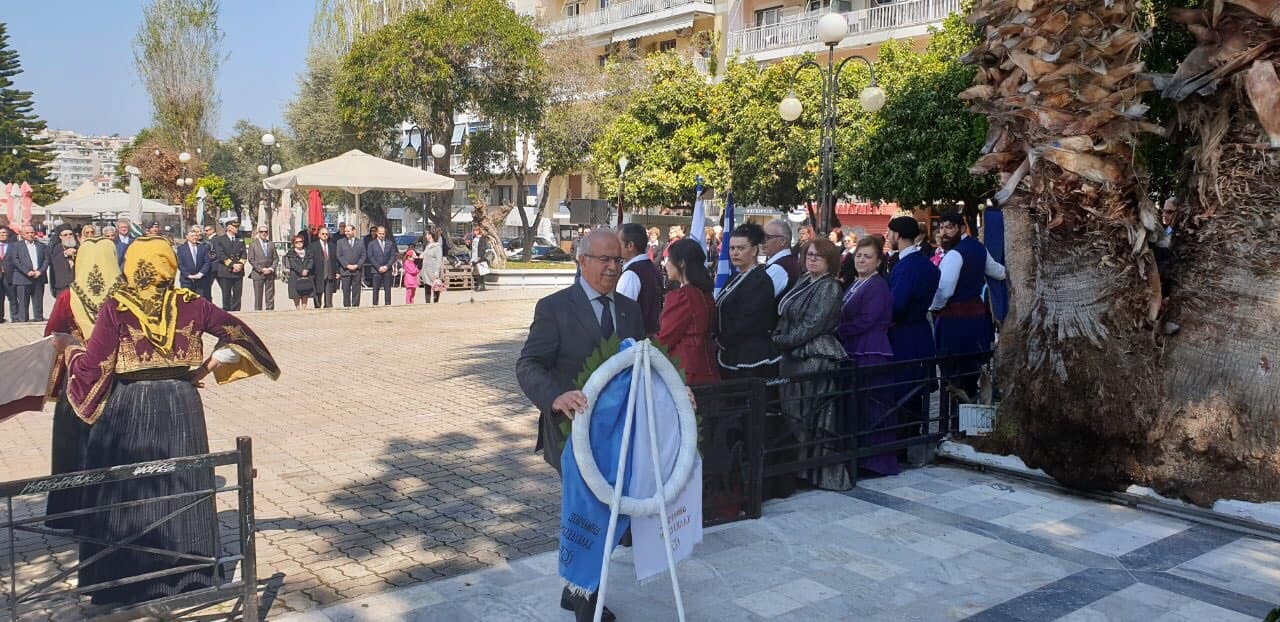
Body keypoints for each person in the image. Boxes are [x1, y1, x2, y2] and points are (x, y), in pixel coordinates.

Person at [53, 236, 279, 607]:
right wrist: (203, 369)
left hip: (128, 407)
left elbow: (94, 369)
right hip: (181, 403)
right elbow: (239, 336)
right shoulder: (192, 304)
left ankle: (128, 583)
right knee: (183, 484)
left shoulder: (117, 307)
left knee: (131, 489)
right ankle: (189, 577)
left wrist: (71, 350)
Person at [516, 229, 643, 622]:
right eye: (604, 260)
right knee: (586, 516)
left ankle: (576, 589)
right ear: (581, 260)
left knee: (606, 513)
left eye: (617, 260)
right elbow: (528, 364)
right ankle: (587, 602)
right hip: (570, 433)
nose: (612, 267)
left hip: (616, 435)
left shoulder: (629, 309)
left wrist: (673, 391)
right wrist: (555, 396)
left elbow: (641, 361)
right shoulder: (554, 307)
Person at [41, 238, 121, 529]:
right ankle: (111, 511)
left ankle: (69, 515)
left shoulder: (67, 298)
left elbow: (51, 335)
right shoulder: (124, 297)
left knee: (73, 448)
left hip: (76, 384)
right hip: (116, 382)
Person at [773, 238, 849, 490]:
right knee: (795, 414)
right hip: (794, 355)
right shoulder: (805, 280)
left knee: (811, 417)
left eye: (819, 256)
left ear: (830, 261)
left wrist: (780, 341)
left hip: (815, 357)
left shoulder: (829, 287)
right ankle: (801, 469)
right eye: (809, 254)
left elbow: (812, 325)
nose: (813, 259)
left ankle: (815, 473)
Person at [930, 211, 1006, 400]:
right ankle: (967, 419)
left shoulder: (955, 254)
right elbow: (998, 272)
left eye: (950, 227)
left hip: (955, 325)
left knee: (956, 376)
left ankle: (959, 421)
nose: (944, 232)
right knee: (972, 373)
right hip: (977, 321)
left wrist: (934, 307)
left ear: (962, 228)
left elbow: (944, 291)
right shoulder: (978, 248)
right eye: (941, 228)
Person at [839, 236, 898, 476]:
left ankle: (878, 461)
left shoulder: (877, 286)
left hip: (871, 349)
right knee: (859, 407)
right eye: (859, 256)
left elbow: (867, 319)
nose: (861, 260)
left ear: (878, 261)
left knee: (874, 406)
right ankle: (861, 458)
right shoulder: (855, 282)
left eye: (867, 257)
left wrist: (838, 330)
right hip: (854, 347)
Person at [885, 217, 940, 448]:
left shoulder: (907, 266)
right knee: (914, 392)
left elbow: (897, 306)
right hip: (920, 331)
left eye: (889, 232)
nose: (888, 237)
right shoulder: (926, 263)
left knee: (903, 390)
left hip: (904, 335)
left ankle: (901, 443)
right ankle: (911, 438)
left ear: (897, 235)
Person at [715, 223, 781, 379]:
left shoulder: (759, 280)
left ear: (755, 250)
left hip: (751, 355)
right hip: (731, 350)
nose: (735, 253)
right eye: (732, 248)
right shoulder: (734, 277)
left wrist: (723, 340)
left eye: (741, 248)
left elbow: (748, 320)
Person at [656, 238, 719, 385]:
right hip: (707, 366)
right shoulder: (705, 293)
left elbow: (665, 339)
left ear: (682, 263)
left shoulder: (683, 296)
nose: (666, 264)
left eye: (669, 260)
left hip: (685, 370)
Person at [616, 223, 661, 336]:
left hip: (635, 342)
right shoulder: (652, 268)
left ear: (630, 245)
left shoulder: (631, 274)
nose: (615, 246)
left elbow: (623, 315)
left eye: (618, 243)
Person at [6, 225, 48, 322]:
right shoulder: (16, 246)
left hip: (38, 277)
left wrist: (40, 271)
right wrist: (27, 271)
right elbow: (15, 260)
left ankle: (38, 318)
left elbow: (46, 259)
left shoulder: (41, 246)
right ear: (22, 234)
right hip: (22, 277)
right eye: (27, 233)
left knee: (38, 300)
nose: (30, 234)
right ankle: (23, 319)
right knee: (23, 301)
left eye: (32, 232)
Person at [210, 220, 246, 311]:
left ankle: (237, 312)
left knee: (238, 294)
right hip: (226, 270)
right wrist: (232, 265)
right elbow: (220, 254)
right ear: (229, 228)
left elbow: (244, 253)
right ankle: (227, 312)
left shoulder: (240, 239)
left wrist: (240, 264)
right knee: (226, 294)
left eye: (237, 226)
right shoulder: (220, 239)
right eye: (235, 227)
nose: (237, 228)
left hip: (239, 271)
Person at [762, 219, 800, 299]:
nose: (763, 241)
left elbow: (758, 299)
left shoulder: (779, 268)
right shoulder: (787, 262)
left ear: (783, 241)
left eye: (768, 237)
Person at [247, 225, 279, 311]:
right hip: (258, 273)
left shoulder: (271, 244)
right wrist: (261, 269)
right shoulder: (253, 244)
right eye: (261, 232)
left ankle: (270, 310)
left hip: (270, 273)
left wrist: (272, 268)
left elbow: (276, 258)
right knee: (258, 295)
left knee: (270, 294)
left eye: (265, 232)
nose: (264, 233)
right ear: (258, 233)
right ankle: (258, 312)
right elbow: (251, 259)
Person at [177, 226, 213, 300]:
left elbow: (207, 262)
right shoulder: (181, 249)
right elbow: (180, 264)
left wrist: (200, 274)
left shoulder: (203, 247)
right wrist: (188, 275)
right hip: (187, 281)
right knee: (187, 302)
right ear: (187, 237)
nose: (195, 238)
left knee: (201, 301)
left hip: (201, 280)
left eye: (196, 236)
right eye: (192, 236)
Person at [337, 223, 366, 307]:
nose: (346, 233)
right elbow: (339, 255)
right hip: (346, 270)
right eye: (345, 231)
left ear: (353, 231)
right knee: (346, 290)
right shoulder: (340, 242)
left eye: (348, 231)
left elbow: (363, 255)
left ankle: (355, 306)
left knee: (356, 290)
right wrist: (347, 265)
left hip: (357, 270)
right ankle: (346, 306)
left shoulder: (360, 242)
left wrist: (357, 265)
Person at [367, 226, 397, 306]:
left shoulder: (390, 243)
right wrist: (378, 267)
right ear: (377, 233)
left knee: (387, 289)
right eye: (380, 234)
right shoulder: (372, 244)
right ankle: (375, 305)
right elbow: (370, 256)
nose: (381, 235)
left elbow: (393, 256)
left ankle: (387, 304)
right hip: (376, 270)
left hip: (387, 269)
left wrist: (387, 266)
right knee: (375, 289)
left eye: (383, 234)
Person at [310, 226, 339, 309]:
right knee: (318, 295)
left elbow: (335, 260)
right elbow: (311, 260)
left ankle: (328, 310)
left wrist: (337, 272)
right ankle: (318, 309)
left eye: (326, 234)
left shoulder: (332, 246)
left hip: (330, 274)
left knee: (329, 298)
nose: (325, 235)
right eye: (323, 234)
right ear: (319, 235)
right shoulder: (313, 246)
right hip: (318, 274)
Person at [285, 235, 316, 309]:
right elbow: (292, 264)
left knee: (305, 292)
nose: (299, 243)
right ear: (294, 243)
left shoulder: (308, 252)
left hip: (306, 275)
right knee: (296, 294)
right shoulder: (290, 253)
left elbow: (311, 261)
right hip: (295, 275)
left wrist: (307, 269)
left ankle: (304, 309)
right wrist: (301, 270)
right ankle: (298, 309)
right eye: (297, 242)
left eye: (301, 241)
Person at [46, 226, 78, 298]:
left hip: (77, 287)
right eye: (65, 235)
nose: (68, 236)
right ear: (60, 237)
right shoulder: (55, 248)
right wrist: (65, 254)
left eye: (70, 234)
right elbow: (53, 262)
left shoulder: (78, 247)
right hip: (62, 287)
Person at [422, 230, 445, 304]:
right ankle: (427, 302)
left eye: (427, 234)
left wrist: (437, 271)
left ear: (430, 235)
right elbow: (425, 255)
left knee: (435, 286)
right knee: (427, 286)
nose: (426, 236)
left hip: (433, 270)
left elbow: (439, 259)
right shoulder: (427, 246)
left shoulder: (437, 247)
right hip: (426, 270)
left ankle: (435, 302)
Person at [470, 225, 490, 292]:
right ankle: (479, 285)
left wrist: (480, 256)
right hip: (474, 256)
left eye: (476, 230)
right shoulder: (474, 238)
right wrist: (468, 244)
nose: (474, 232)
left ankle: (481, 285)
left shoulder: (482, 238)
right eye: (474, 230)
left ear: (479, 231)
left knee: (480, 271)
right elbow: (472, 247)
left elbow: (483, 247)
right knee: (476, 272)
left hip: (479, 256)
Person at [0, 227, 9, 323]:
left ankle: (16, 317)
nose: (3, 234)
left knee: (13, 297)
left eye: (4, 233)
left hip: (9, 275)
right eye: (1, 233)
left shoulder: (13, 246)